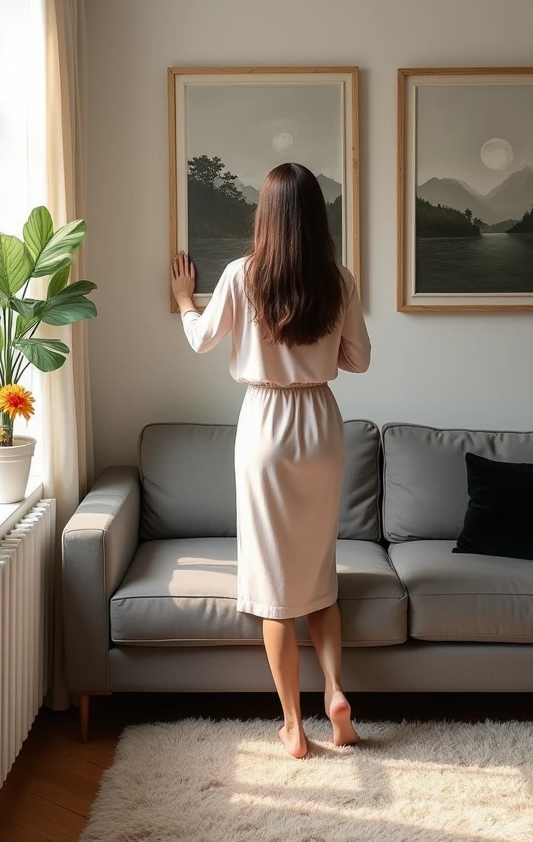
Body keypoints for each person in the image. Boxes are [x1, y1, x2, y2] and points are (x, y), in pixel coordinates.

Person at [170, 162, 371, 759]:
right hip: (320, 424)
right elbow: (358, 360)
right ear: (316, 215)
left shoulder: (241, 275)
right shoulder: (338, 279)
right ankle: (335, 692)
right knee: (319, 573)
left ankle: (293, 725)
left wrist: (185, 298)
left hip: (264, 424)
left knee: (271, 584)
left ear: (265, 215)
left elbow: (202, 339)